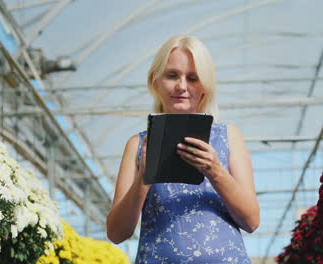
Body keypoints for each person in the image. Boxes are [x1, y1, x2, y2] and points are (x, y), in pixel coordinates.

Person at [107, 35, 260, 264]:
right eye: (172, 75)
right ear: (154, 81)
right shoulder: (137, 145)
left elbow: (252, 221)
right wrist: (145, 176)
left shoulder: (228, 136)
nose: (181, 86)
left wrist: (215, 170)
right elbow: (117, 233)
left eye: (193, 78)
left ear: (205, 88)